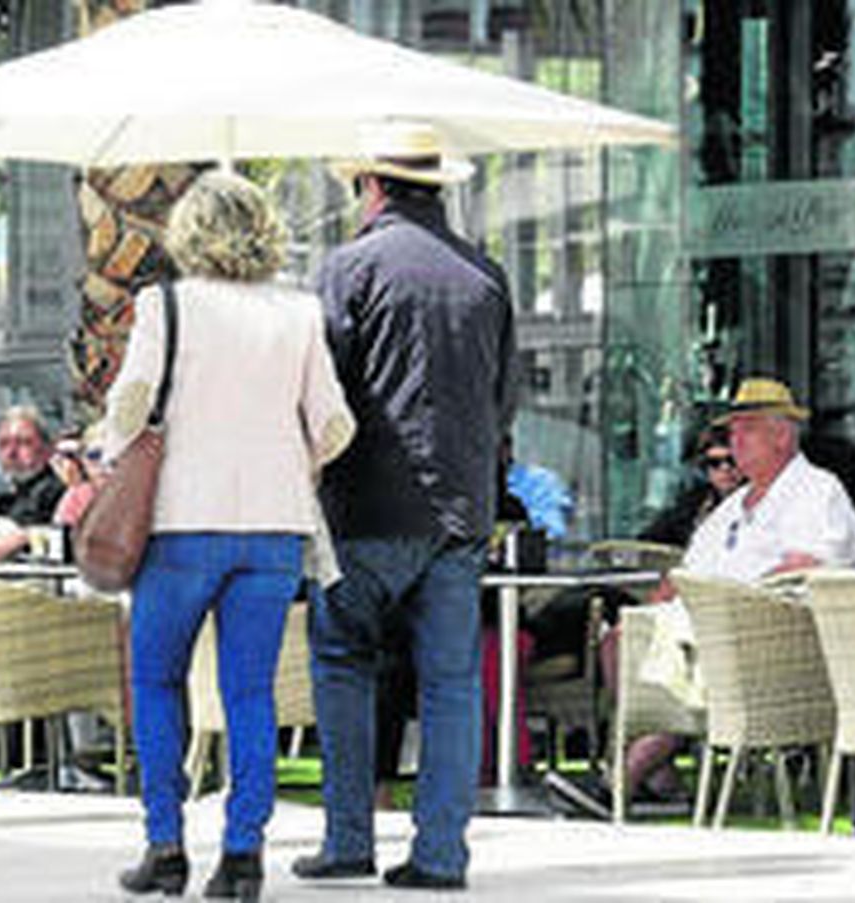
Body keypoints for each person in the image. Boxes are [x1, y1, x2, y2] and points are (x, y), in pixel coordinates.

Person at [109, 171, 354, 901]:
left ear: (189, 231)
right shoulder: (299, 311)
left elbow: (131, 401)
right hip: (274, 526)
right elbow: (336, 422)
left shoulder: (165, 304)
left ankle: (165, 845)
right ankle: (243, 855)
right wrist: (295, 462)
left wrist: (108, 451)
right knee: (250, 692)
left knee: (156, 680)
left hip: (182, 521)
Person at [299, 122, 515, 892]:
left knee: (343, 660)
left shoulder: (348, 268)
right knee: (451, 681)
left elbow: (320, 394)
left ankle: (347, 839)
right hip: (460, 511)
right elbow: (503, 400)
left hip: (363, 505)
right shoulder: (486, 275)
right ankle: (442, 854)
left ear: (372, 186)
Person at [558, 377, 855, 816]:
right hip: (716, 626)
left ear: (782, 435)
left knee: (691, 658)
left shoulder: (816, 490)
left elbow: (805, 567)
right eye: (732, 431)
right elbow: (684, 573)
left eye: (746, 429)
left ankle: (620, 781)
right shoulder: (734, 505)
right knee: (622, 639)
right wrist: (653, 610)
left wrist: (728, 603)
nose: (735, 441)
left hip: (776, 641)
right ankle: (658, 776)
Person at [0, 406, 67, 564]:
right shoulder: (9, 494)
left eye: (24, 442)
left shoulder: (48, 491)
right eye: (3, 444)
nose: (11, 453)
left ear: (48, 449)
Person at [639, 423, 744, 546]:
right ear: (705, 468)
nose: (725, 468)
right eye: (715, 463)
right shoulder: (693, 503)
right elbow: (650, 538)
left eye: (732, 461)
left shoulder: (758, 502)